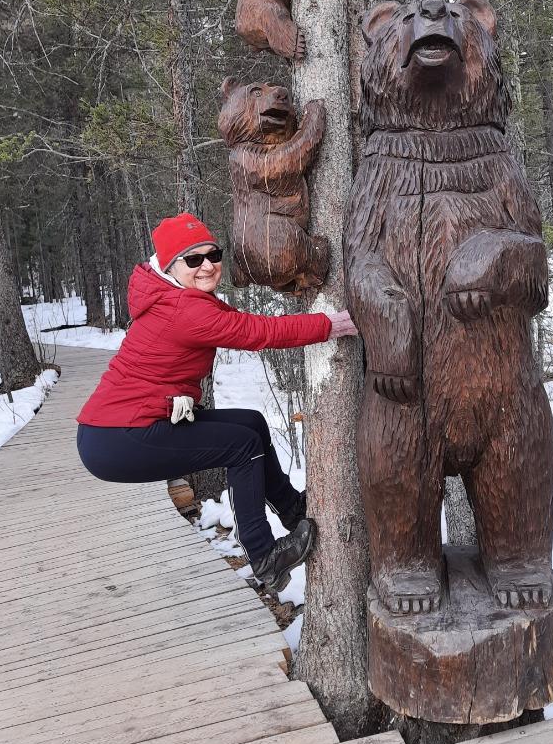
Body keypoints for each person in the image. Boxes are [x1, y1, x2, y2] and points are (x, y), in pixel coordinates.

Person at [76, 212, 357, 592]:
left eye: (213, 254)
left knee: (251, 424)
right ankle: (264, 557)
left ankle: (292, 508)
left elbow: (243, 321)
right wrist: (335, 324)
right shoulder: (184, 309)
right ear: (171, 265)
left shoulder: (178, 296)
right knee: (240, 447)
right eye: (193, 260)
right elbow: (257, 332)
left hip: (122, 428)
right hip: (118, 438)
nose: (207, 265)